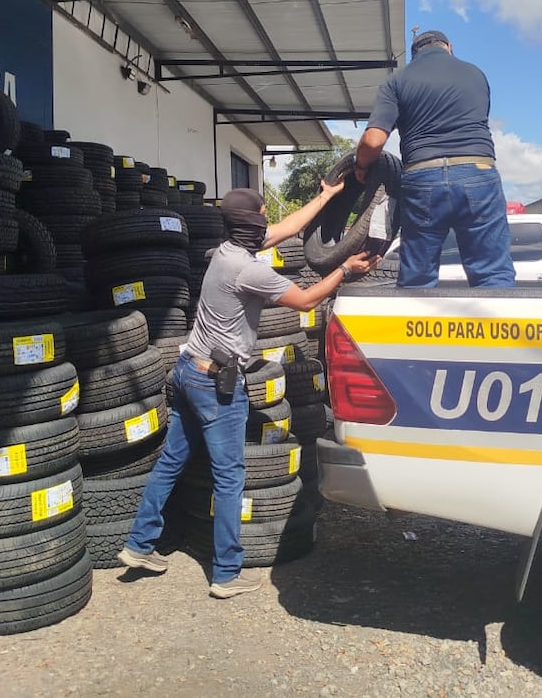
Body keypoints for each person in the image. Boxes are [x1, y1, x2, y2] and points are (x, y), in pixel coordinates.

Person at [117, 182, 379, 598]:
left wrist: (326, 197)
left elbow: (284, 231)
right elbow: (308, 300)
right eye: (262, 215)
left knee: (171, 462)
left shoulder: (226, 252)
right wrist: (345, 270)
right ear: (253, 222)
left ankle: (138, 545)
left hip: (187, 369)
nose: (267, 223)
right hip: (215, 383)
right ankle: (225, 574)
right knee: (229, 476)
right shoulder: (250, 269)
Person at [353, 29, 515, 288]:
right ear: (449, 47)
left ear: (415, 54)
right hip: (477, 172)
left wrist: (361, 166)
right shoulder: (476, 74)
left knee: (418, 278)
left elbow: (373, 141)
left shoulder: (398, 80)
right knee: (492, 275)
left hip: (423, 176)